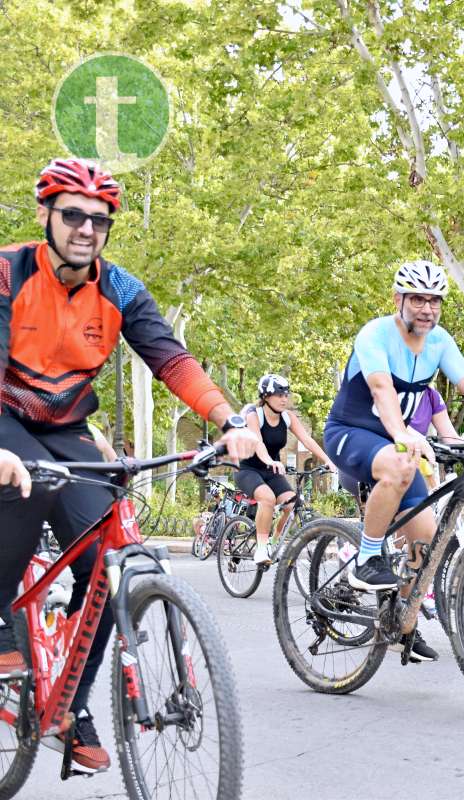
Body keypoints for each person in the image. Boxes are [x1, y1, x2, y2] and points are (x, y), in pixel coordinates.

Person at [0, 158, 259, 773]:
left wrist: (229, 420)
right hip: (6, 419)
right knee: (26, 482)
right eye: (72, 215)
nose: (86, 228)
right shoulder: (9, 272)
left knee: (106, 568)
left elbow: (172, 360)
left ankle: (69, 708)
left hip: (68, 427)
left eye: (99, 219)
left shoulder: (118, 289)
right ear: (45, 216)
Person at [324, 259, 464, 662]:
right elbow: (381, 389)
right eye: (418, 299)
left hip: (398, 442)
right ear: (398, 300)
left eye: (434, 301)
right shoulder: (375, 335)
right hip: (351, 434)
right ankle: (367, 557)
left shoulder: (439, 342)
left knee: (426, 542)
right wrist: (404, 433)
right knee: (399, 464)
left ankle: (400, 622)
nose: (427, 308)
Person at [236, 373, 336, 564]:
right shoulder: (254, 416)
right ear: (265, 397)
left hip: (271, 471)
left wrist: (327, 460)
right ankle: (261, 549)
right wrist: (270, 461)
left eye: (286, 395)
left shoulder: (288, 417)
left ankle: (274, 545)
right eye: (279, 395)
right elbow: (258, 443)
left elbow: (306, 440)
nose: (284, 399)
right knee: (267, 498)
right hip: (248, 469)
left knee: (291, 505)